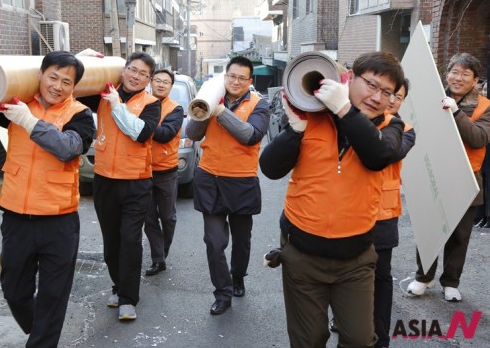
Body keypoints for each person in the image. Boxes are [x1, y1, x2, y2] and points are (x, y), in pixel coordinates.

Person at [260, 51, 405, 347]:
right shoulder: (311, 115)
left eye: (387, 92)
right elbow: (270, 168)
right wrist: (295, 129)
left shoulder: (391, 126)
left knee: (359, 339)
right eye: (372, 85)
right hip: (302, 254)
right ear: (350, 79)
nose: (377, 97)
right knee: (308, 339)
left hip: (356, 259)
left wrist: (344, 110)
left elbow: (378, 156)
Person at [0, 49, 96, 348]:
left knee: (53, 296)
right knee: (14, 290)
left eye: (66, 82)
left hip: (59, 223)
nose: (57, 86)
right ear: (40, 75)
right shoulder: (15, 104)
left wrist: (30, 122)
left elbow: (68, 148)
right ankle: (41, 333)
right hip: (17, 218)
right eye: (53, 77)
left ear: (74, 87)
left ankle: (43, 340)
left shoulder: (80, 115)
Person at [186, 56, 269, 315]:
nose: (235, 81)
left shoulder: (260, 105)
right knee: (214, 241)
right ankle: (222, 293)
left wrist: (221, 112)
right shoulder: (213, 98)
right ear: (225, 77)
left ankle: (238, 276)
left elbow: (250, 135)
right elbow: (193, 133)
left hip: (242, 182)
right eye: (231, 76)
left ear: (249, 81)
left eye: (241, 78)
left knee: (242, 240)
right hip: (210, 179)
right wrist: (206, 108)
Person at [407, 53, 490, 302]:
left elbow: (479, 139)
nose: (458, 78)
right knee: (428, 229)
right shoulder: (431, 97)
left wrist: (456, 113)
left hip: (467, 177)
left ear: (475, 80)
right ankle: (423, 277)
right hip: (434, 170)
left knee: (460, 235)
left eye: (465, 74)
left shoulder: (485, 106)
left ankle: (451, 282)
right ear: (447, 74)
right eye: (454, 71)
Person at [93, 51, 161, 321]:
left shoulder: (151, 103)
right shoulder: (101, 94)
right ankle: (118, 286)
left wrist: (116, 106)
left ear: (149, 79)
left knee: (131, 240)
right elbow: (72, 81)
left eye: (143, 73)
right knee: (111, 241)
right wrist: (87, 56)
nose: (136, 76)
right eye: (132, 69)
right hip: (104, 180)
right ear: (123, 71)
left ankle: (128, 299)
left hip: (136, 182)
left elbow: (141, 132)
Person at [372, 79, 415, 347]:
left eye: (397, 97)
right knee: (345, 271)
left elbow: (387, 154)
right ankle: (344, 319)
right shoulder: (356, 119)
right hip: (350, 210)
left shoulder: (405, 130)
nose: (391, 100)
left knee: (381, 275)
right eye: (388, 94)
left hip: (383, 213)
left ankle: (381, 335)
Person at [144, 69, 184, 276]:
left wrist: (141, 125)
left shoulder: (176, 109)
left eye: (165, 82)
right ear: (150, 82)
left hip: (167, 171)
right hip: (143, 170)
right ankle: (157, 259)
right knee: (149, 218)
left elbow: (165, 134)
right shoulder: (141, 103)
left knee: (168, 217)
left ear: (170, 86)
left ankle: (163, 250)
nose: (161, 85)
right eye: (157, 81)